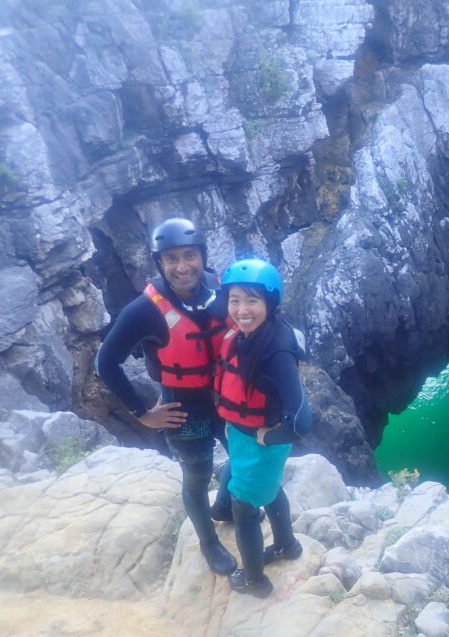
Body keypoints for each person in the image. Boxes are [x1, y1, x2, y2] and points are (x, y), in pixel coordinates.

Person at [96, 217, 238, 576]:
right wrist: (143, 413)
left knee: (244, 456)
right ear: (160, 263)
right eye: (171, 259)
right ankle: (208, 542)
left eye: (189, 256)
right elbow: (107, 362)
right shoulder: (143, 310)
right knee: (197, 474)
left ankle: (223, 507)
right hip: (184, 405)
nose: (182, 266)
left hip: (227, 394)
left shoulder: (219, 287)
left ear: (202, 256)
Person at [214, 258, 311, 598]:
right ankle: (287, 546)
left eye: (252, 300)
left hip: (261, 443)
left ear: (270, 303)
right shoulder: (246, 334)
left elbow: (302, 421)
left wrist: (270, 436)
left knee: (244, 508)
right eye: (235, 300)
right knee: (268, 490)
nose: (242, 310)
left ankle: (255, 580)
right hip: (245, 437)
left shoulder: (276, 350)